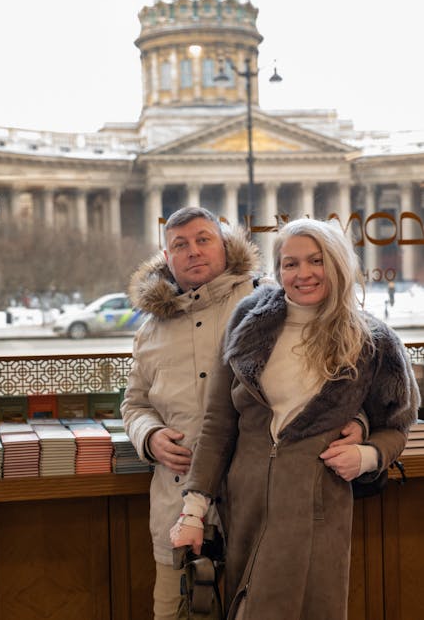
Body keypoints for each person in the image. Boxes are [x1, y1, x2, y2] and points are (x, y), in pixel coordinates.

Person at [121, 208, 365, 620]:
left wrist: (359, 425)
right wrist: (149, 435)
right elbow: (134, 402)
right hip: (177, 505)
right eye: (180, 245)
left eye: (203, 239)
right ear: (167, 255)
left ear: (224, 243)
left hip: (256, 505)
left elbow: (344, 373)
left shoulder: (270, 304)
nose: (193, 252)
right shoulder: (150, 328)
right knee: (175, 611)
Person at [171, 217, 420, 620]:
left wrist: (368, 455)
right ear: (278, 269)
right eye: (290, 264)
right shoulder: (247, 322)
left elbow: (398, 425)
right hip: (246, 506)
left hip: (317, 509)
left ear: (336, 264)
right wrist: (193, 509)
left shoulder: (373, 340)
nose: (303, 273)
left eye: (315, 261)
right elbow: (218, 423)